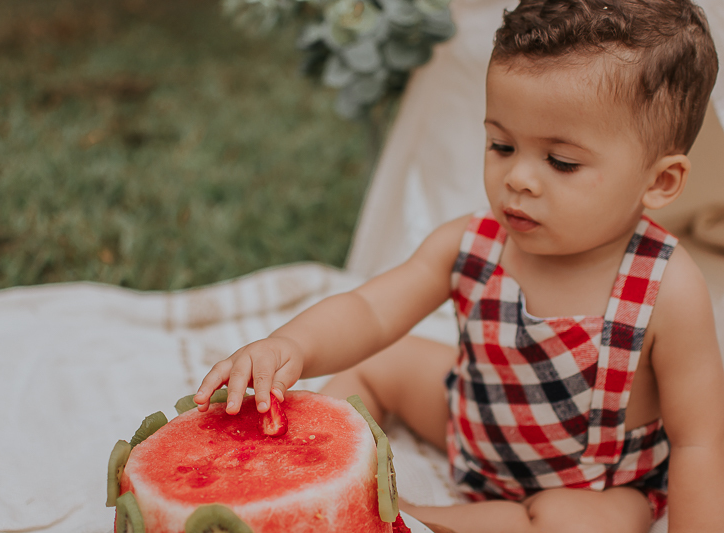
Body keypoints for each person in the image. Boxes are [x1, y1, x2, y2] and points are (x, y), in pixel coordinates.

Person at [194, 0, 724, 530]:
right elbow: (370, 310)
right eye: (501, 145)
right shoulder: (472, 243)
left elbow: (699, 440)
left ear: (660, 182)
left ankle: (419, 518)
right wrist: (292, 345)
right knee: (378, 363)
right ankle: (326, 469)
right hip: (470, 423)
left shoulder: (666, 288)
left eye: (560, 162)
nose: (519, 178)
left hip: (592, 484)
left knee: (579, 523)